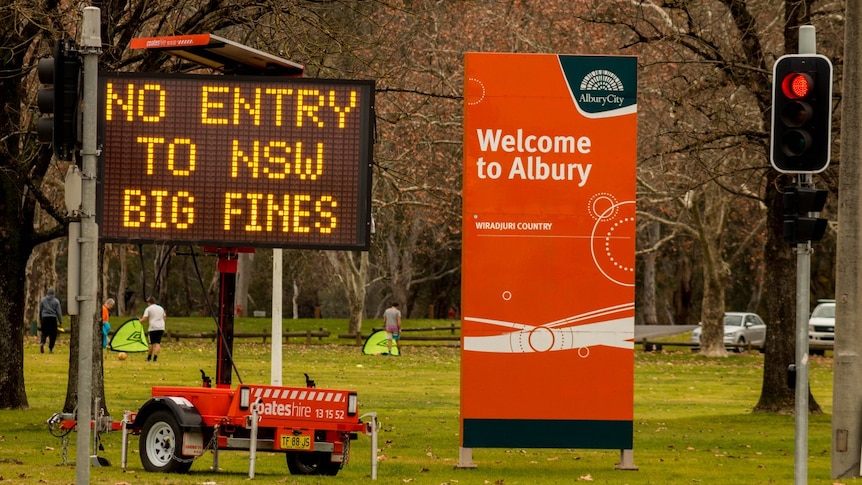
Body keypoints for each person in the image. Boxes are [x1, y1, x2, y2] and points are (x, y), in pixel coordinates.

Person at [140, 296, 166, 362]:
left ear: (149, 302)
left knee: (151, 343)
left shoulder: (148, 309)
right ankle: (155, 358)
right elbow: (164, 317)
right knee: (158, 343)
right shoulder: (160, 308)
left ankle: (149, 357)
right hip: (161, 327)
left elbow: (144, 319)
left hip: (153, 327)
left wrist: (139, 321)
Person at [39, 288, 63, 354]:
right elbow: (59, 312)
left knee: (44, 333)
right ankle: (51, 348)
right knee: (53, 334)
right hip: (52, 318)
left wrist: (40, 319)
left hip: (45, 318)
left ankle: (42, 343)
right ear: (53, 293)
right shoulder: (56, 301)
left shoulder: (43, 300)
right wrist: (60, 321)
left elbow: (41, 310)